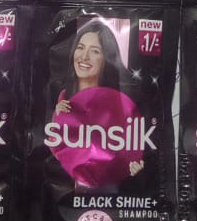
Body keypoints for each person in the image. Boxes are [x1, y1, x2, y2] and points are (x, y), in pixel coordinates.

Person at [53, 20, 143, 178]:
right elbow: (57, 150)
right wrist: (57, 119)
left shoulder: (121, 103)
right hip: (73, 183)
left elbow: (133, 153)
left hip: (111, 184)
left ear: (107, 59)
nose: (84, 56)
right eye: (80, 48)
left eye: (95, 51)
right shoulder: (64, 97)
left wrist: (136, 168)